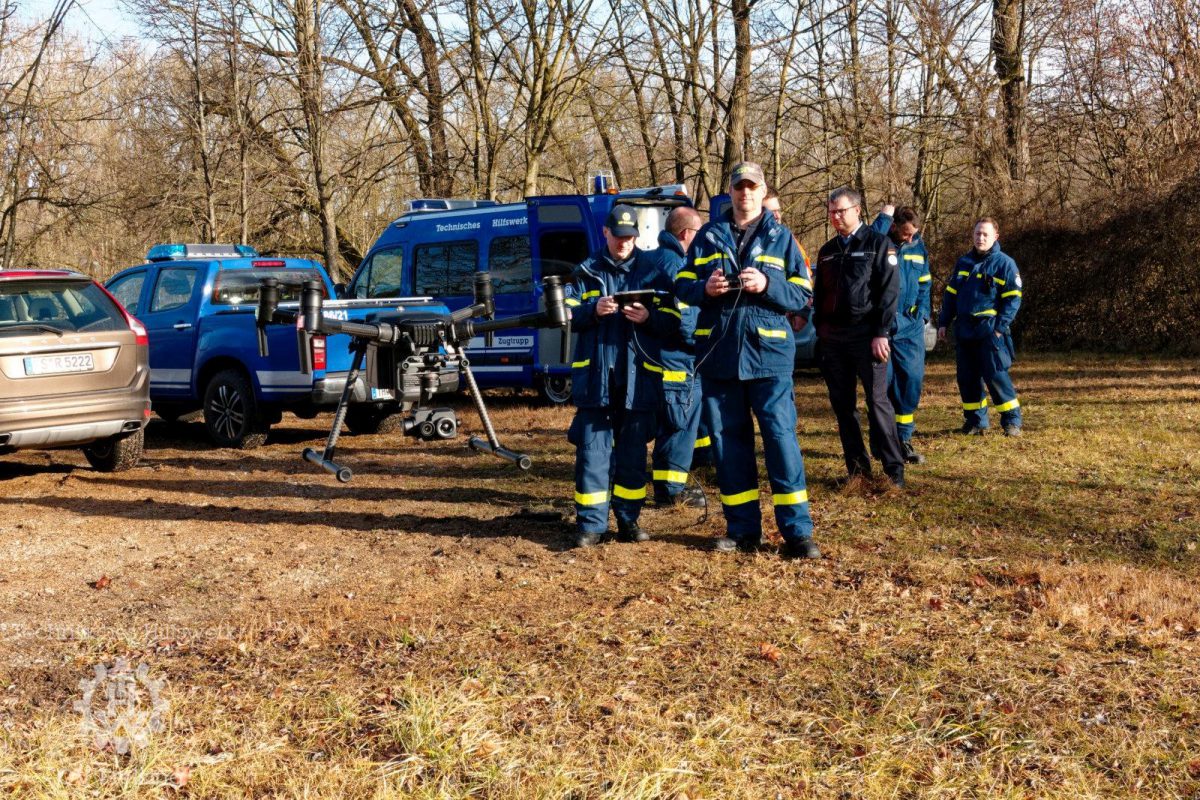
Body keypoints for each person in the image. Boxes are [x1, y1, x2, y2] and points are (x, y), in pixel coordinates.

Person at [675, 161, 819, 559]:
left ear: (762, 190)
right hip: (720, 355)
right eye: (739, 187)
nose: (745, 193)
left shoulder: (782, 237)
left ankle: (797, 532)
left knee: (781, 440)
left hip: (769, 357)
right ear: (731, 191)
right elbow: (682, 284)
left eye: (752, 187)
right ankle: (742, 530)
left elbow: (803, 294)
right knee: (728, 444)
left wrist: (768, 284)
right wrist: (705, 288)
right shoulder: (708, 236)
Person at [565, 204, 686, 547]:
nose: (623, 243)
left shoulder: (654, 271)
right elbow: (566, 316)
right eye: (618, 237)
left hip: (639, 379)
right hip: (596, 379)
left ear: (637, 235)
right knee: (594, 453)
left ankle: (628, 521)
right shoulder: (587, 271)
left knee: (633, 454)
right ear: (606, 233)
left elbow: (674, 323)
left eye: (629, 237)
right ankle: (591, 525)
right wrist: (593, 310)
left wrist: (649, 317)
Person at [813, 186, 907, 488]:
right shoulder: (827, 251)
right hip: (833, 340)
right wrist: (820, 330)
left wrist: (881, 333)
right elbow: (820, 294)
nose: (836, 216)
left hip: (867, 337)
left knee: (877, 402)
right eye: (831, 212)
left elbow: (889, 292)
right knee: (843, 405)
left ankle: (894, 470)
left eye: (841, 210)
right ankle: (858, 470)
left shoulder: (878, 244)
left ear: (857, 210)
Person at [631, 206, 708, 508]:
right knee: (680, 426)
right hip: (678, 360)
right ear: (687, 234)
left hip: (654, 360)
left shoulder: (649, 259)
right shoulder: (677, 265)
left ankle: (665, 486)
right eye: (699, 234)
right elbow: (686, 322)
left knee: (668, 426)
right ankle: (673, 491)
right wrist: (704, 342)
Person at [937, 217, 1024, 436]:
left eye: (985, 234)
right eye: (977, 234)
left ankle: (1012, 422)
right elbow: (951, 295)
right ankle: (976, 422)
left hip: (989, 330)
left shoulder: (1005, 264)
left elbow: (1013, 299)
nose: (981, 238)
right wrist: (944, 322)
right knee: (967, 378)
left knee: (996, 377)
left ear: (996, 236)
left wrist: (998, 328)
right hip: (965, 330)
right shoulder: (964, 262)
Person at [870, 204, 932, 464]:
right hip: (882, 326)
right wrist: (883, 216)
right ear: (894, 226)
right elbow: (868, 238)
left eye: (913, 234)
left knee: (911, 380)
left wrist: (923, 312)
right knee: (883, 386)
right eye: (905, 233)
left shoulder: (918, 247)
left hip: (910, 326)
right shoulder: (880, 241)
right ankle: (883, 441)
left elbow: (925, 284)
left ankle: (904, 438)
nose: (909, 238)